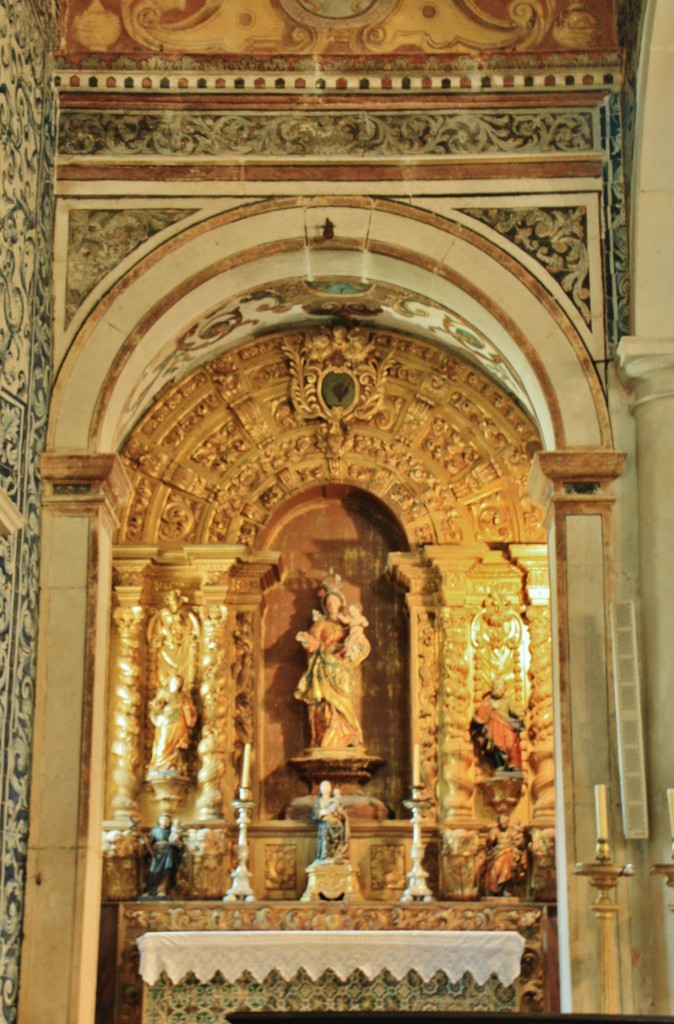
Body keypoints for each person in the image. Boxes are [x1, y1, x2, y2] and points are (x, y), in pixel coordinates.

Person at [294, 579, 369, 750]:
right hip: (324, 669)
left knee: (345, 702)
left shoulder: (347, 623)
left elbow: (359, 642)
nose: (332, 605)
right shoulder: (320, 624)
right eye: (329, 603)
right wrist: (308, 641)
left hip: (343, 670)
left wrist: (350, 647)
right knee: (326, 703)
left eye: (335, 602)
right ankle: (327, 735)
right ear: (325, 606)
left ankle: (349, 735)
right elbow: (312, 643)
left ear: (341, 604)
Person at [470, 676, 524, 772]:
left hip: (506, 727)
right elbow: (481, 714)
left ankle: (514, 765)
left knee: (511, 742)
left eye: (499, 685)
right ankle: (499, 765)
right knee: (495, 745)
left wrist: (521, 714)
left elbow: (514, 711)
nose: (496, 687)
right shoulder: (488, 701)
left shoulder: (507, 701)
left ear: (504, 688)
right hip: (493, 729)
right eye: (494, 685)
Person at [148, 673, 197, 774]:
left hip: (179, 723)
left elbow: (192, 710)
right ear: (170, 682)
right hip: (165, 723)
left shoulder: (183, 696)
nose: (177, 684)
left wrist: (188, 712)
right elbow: (156, 706)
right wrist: (156, 705)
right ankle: (159, 765)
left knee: (177, 747)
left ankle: (174, 765)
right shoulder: (163, 693)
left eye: (179, 682)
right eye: (175, 681)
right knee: (163, 745)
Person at [141, 813, 185, 898]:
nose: (165, 821)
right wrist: (146, 843)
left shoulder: (172, 831)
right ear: (159, 821)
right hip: (157, 854)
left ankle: (162, 890)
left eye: (167, 820)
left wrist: (178, 845)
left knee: (166, 871)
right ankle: (150, 890)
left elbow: (179, 844)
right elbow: (150, 844)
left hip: (169, 854)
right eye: (163, 819)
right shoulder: (154, 831)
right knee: (153, 871)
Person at [484, 814, 527, 896]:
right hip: (496, 853)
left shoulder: (512, 831)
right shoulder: (494, 831)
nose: (504, 823)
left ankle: (504, 888)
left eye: (506, 821)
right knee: (494, 868)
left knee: (508, 861)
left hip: (509, 851)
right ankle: (495, 889)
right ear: (499, 822)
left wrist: (520, 839)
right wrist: (492, 839)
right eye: (502, 821)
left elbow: (519, 842)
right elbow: (489, 844)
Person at [313, 780, 349, 862]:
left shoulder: (335, 800)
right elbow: (315, 813)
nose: (325, 788)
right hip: (324, 824)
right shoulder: (318, 801)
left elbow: (341, 812)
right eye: (323, 787)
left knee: (338, 828)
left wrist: (339, 813)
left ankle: (336, 854)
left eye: (327, 786)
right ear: (320, 789)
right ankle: (325, 856)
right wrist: (322, 812)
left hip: (335, 824)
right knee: (325, 833)